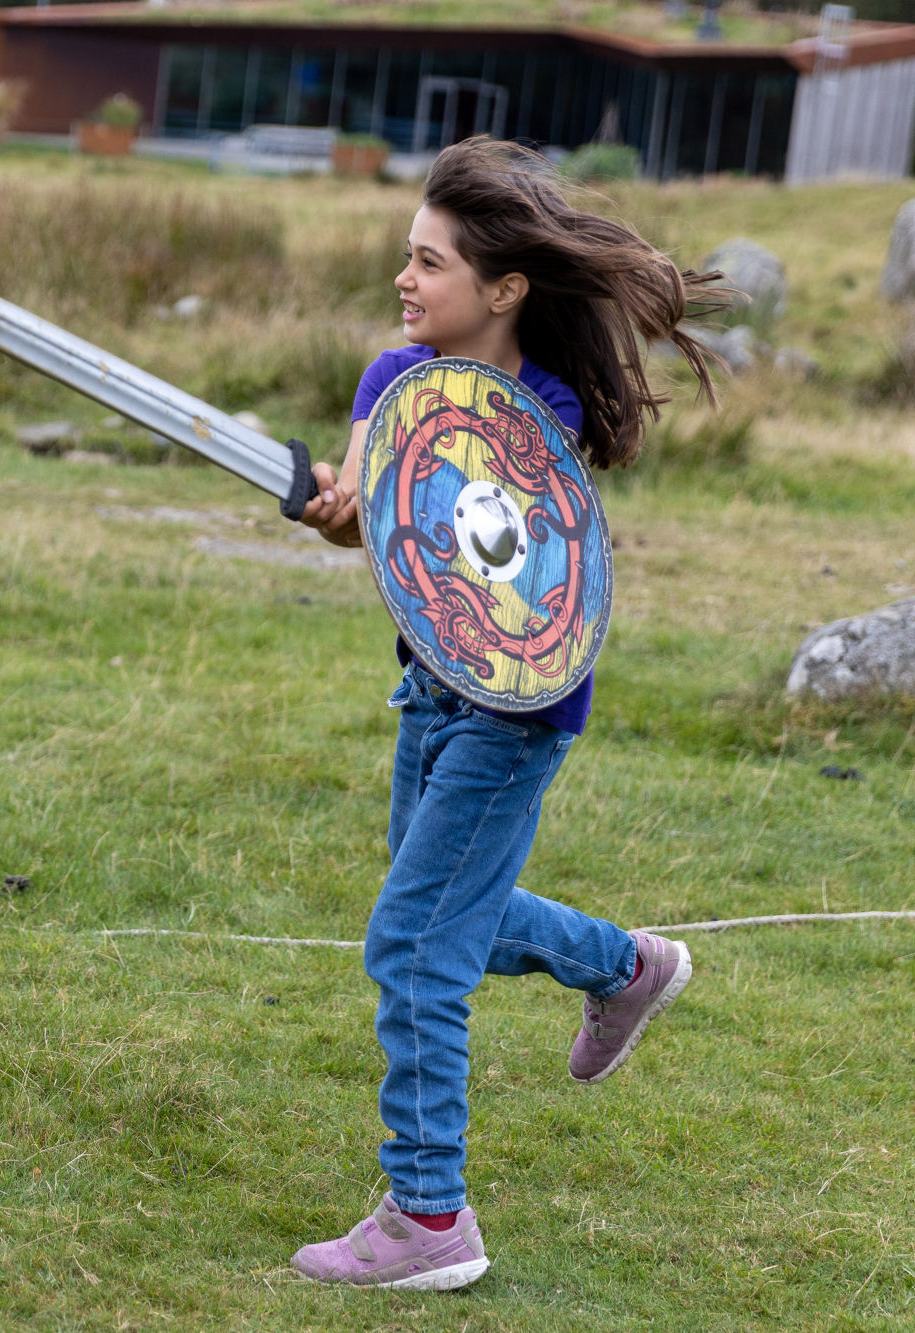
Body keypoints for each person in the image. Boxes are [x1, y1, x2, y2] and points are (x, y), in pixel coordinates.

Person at [289, 137, 723, 1292]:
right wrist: (341, 514)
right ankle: (621, 967)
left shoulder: (542, 410)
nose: (404, 280)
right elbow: (382, 525)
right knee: (444, 916)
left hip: (515, 704)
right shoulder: (391, 384)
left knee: (411, 941)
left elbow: (517, 570)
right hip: (426, 686)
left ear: (504, 286)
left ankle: (428, 1216)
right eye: (405, 257)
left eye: (429, 264)